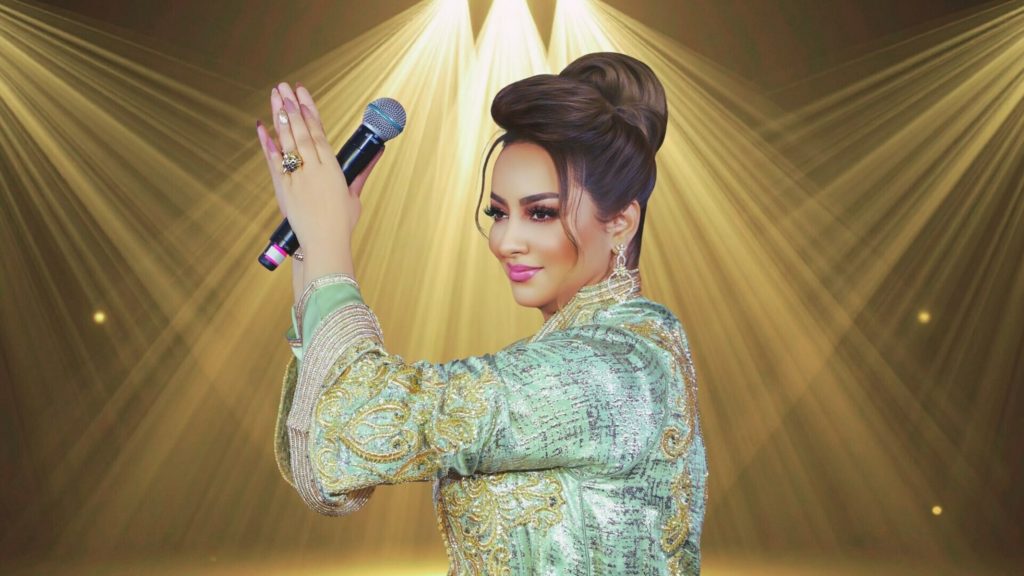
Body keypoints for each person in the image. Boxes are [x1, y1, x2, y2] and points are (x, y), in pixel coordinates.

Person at [257, 52, 708, 575]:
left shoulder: (616, 369)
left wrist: (327, 240)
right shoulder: (603, 348)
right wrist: (311, 248)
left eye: (541, 213)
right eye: (498, 212)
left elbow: (360, 429)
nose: (505, 241)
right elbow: (328, 469)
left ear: (621, 223)